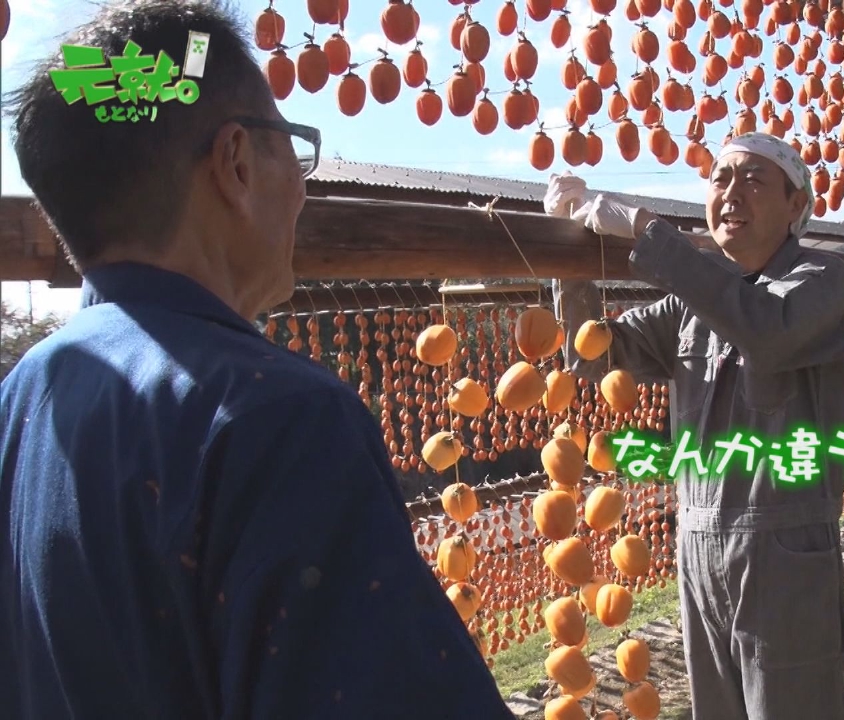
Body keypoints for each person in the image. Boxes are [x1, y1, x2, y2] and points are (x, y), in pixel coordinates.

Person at [0, 2, 512, 718]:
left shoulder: (24, 395)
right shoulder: (272, 416)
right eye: (290, 144)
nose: (301, 186)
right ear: (235, 162)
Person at [545, 132, 844, 720]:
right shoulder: (692, 305)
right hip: (697, 544)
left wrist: (648, 231)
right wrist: (569, 262)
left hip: (783, 549)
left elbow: (768, 330)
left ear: (797, 206)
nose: (730, 193)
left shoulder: (822, 279)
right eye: (721, 179)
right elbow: (594, 357)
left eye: (753, 179)